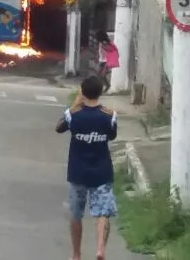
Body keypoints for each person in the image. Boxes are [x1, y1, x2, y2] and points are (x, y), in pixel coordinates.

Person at [56, 76, 119, 260]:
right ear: (100, 93)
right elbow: (112, 136)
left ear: (82, 92)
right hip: (102, 172)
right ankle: (100, 249)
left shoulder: (73, 115)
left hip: (77, 173)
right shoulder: (109, 116)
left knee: (76, 214)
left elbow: (59, 127)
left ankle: (76, 254)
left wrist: (75, 104)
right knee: (102, 212)